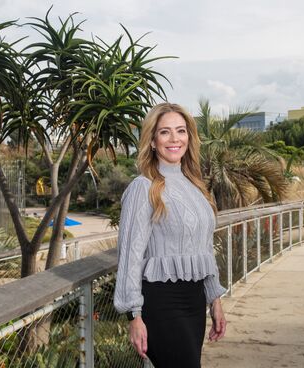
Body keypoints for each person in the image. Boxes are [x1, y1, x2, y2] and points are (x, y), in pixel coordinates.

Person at [113, 102, 227, 368]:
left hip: (195, 301)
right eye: (165, 132)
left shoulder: (194, 185)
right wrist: (134, 316)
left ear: (189, 136)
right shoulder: (144, 188)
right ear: (152, 141)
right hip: (162, 304)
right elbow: (130, 256)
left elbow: (204, 248)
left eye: (181, 131)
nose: (175, 139)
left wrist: (215, 300)